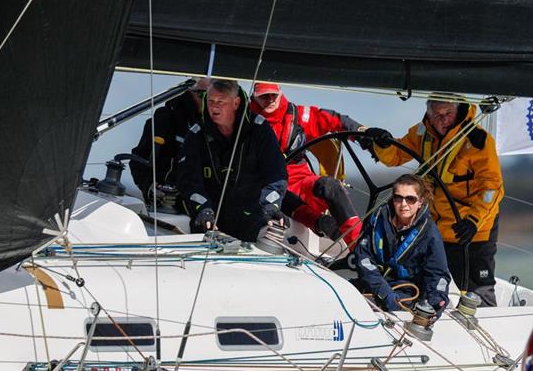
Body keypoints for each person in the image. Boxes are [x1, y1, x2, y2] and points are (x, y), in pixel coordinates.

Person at [361, 98, 503, 307]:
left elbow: (492, 187)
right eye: (437, 115)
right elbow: (395, 156)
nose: (442, 120)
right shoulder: (421, 133)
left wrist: (473, 220)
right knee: (428, 284)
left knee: (476, 293)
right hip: (434, 229)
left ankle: (481, 320)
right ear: (429, 113)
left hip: (470, 230)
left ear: (458, 111)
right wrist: (382, 144)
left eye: (447, 114)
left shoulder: (478, 141)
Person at [249, 82, 363, 248]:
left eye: (274, 95)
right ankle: (320, 223)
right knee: (279, 194)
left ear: (281, 93)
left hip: (299, 181)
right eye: (264, 96)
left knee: (330, 186)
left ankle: (359, 248)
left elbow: (334, 120)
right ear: (254, 96)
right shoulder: (244, 122)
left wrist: (362, 132)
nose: (270, 100)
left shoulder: (299, 116)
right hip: (265, 186)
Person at [177, 79, 288, 242]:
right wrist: (202, 208)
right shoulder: (197, 134)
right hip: (209, 223)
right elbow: (188, 180)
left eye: (220, 102)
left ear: (236, 103)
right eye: (210, 101)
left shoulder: (259, 130)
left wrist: (270, 205)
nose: (214, 107)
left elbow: (276, 174)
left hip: (252, 221)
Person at [354, 174, 450, 314]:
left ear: (420, 202)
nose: (403, 204)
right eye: (398, 198)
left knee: (362, 308)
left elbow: (438, 273)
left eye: (410, 199)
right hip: (373, 284)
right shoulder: (378, 220)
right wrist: (384, 292)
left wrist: (436, 301)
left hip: (406, 293)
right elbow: (363, 258)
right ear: (393, 200)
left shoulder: (430, 233)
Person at [130, 77, 209, 211]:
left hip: (201, 206)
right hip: (165, 208)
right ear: (190, 91)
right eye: (204, 95)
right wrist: (149, 187)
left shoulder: (215, 124)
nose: (209, 101)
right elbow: (138, 161)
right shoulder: (164, 119)